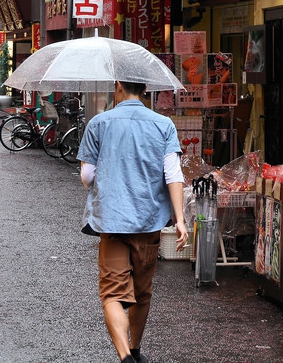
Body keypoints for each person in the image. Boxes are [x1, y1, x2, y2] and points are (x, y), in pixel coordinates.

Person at [78, 80, 188, 363]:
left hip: (111, 221)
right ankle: (137, 350)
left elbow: (87, 177)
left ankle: (125, 357)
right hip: (148, 222)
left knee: (113, 294)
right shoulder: (163, 125)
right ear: (145, 90)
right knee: (141, 292)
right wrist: (180, 220)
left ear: (118, 87)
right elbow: (173, 175)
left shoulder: (99, 123)